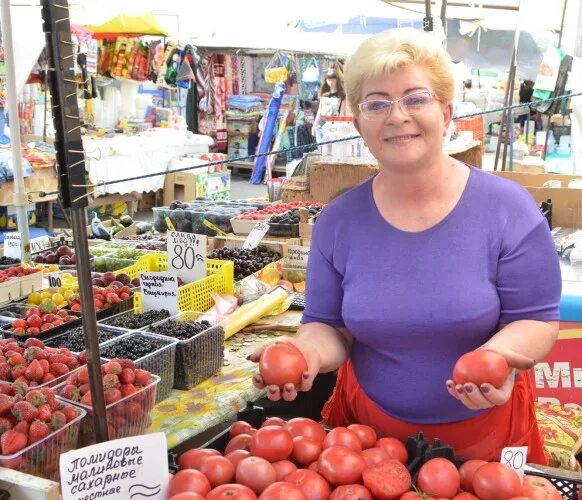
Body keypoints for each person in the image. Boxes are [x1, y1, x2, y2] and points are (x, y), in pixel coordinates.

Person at [251, 28, 561, 464]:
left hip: (485, 438)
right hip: (366, 440)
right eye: (377, 103)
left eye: (416, 98)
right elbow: (328, 325)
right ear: (358, 123)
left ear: (447, 111)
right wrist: (305, 353)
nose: (397, 116)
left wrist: (498, 356)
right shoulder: (338, 222)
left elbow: (535, 319)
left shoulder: (508, 209)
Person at [311, 68, 347, 143]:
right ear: (326, 80)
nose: (331, 82)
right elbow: (319, 111)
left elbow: (342, 114)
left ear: (337, 80)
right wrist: (314, 126)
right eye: (329, 79)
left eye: (333, 80)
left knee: (331, 151)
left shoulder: (341, 96)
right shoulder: (323, 95)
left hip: (334, 126)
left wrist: (339, 128)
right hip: (321, 126)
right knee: (321, 149)